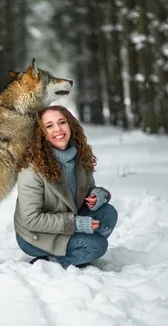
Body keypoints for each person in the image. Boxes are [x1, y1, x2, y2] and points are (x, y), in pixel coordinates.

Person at [14, 105, 118, 269]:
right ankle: (50, 262)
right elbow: (31, 220)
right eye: (49, 126)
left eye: (62, 122)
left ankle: (78, 254)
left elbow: (88, 188)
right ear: (41, 134)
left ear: (70, 125)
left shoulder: (78, 154)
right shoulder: (31, 169)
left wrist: (97, 195)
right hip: (36, 234)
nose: (58, 129)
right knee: (97, 246)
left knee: (108, 213)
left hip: (67, 219)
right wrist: (75, 224)